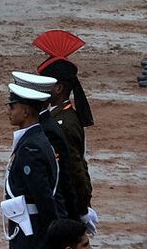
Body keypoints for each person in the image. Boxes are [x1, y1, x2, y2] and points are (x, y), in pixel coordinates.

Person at [32, 56, 94, 231]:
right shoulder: (57, 116)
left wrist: (81, 210)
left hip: (67, 204)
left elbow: (75, 169)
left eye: (45, 83)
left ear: (58, 88)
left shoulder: (64, 123)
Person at [3, 75, 65, 247]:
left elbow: (43, 196)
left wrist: (53, 235)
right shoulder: (33, 139)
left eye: (12, 107)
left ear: (25, 111)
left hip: (32, 231)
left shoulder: (32, 148)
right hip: (28, 225)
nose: (9, 111)